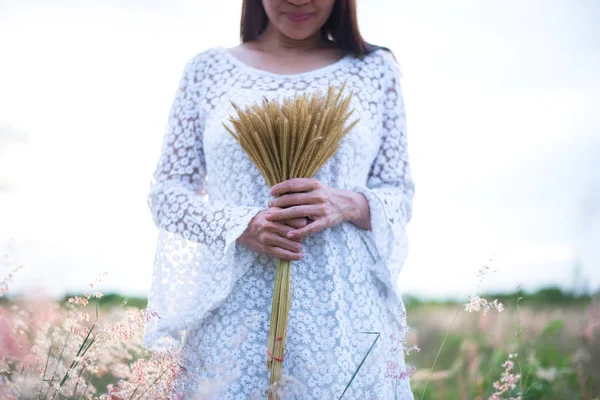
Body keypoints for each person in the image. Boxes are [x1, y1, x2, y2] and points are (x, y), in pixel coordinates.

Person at [142, 0, 416, 398]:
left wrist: (347, 203)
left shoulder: (374, 71)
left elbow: (399, 194)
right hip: (233, 313)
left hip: (344, 316)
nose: (300, 0)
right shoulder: (208, 71)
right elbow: (167, 195)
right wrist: (242, 225)